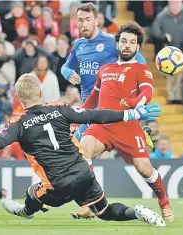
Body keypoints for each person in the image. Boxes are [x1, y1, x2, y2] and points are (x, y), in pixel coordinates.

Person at [0, 73, 165, 227]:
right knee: (106, 212)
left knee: (32, 193)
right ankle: (139, 212)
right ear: (40, 93)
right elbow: (95, 115)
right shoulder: (59, 108)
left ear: (17, 98)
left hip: (57, 184)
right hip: (83, 173)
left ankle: (25, 211)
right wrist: (133, 113)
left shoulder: (16, 125)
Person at [71, 22, 174, 222]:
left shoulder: (141, 69)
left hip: (128, 126)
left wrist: (134, 102)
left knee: (144, 169)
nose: (127, 45)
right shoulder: (105, 69)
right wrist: (77, 117)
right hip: (102, 125)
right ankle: (90, 204)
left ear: (137, 47)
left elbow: (147, 92)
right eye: (124, 41)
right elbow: (94, 97)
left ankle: (164, 201)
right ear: (117, 44)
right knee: (83, 151)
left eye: (132, 42)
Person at [60, 3, 146, 142]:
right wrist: (68, 72)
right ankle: (135, 132)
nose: (84, 24)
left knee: (79, 147)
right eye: (81, 20)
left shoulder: (112, 42)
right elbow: (65, 67)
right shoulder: (79, 45)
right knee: (81, 150)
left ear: (96, 21)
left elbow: (141, 62)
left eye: (88, 19)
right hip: (88, 107)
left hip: (107, 107)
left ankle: (135, 132)